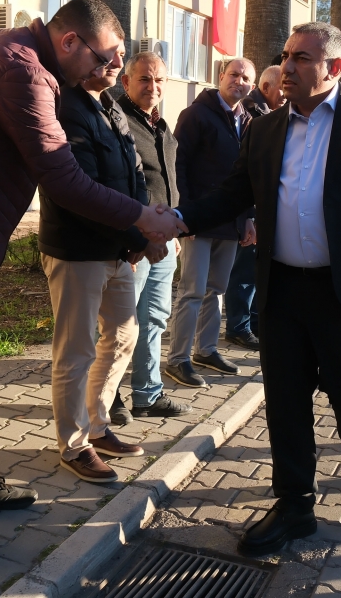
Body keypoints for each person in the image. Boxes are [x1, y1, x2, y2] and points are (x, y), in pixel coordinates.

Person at [0, 0, 181, 563]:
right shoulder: (24, 70)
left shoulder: (25, 59)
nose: (108, 69)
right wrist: (141, 218)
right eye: (105, 58)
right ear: (69, 42)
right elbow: (61, 176)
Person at [173, 22, 341, 555]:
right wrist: (178, 218)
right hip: (283, 290)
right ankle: (295, 505)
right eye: (286, 55)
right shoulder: (265, 128)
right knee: (285, 400)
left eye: (301, 58)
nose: (287, 67)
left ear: (333, 67)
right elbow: (232, 194)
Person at [41, 50, 158, 482]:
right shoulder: (67, 107)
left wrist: (140, 232)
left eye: (120, 56)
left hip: (117, 249)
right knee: (76, 351)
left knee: (125, 335)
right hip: (77, 250)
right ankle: (73, 446)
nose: (114, 62)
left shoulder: (111, 105)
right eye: (107, 54)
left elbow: (134, 174)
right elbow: (84, 190)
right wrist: (139, 236)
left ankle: (96, 425)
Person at [164, 58, 258, 385]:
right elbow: (178, 166)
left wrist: (247, 217)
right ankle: (177, 359)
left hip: (230, 223)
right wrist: (185, 216)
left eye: (246, 78)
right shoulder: (196, 115)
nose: (239, 81)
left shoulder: (248, 120)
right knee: (192, 291)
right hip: (199, 222)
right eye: (234, 74)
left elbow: (246, 178)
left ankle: (205, 350)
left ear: (252, 85)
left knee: (216, 289)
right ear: (221, 76)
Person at [110, 53, 192, 425]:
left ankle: (147, 394)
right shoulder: (117, 121)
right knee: (121, 326)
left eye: (159, 80)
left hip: (165, 243)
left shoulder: (159, 123)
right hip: (135, 245)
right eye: (144, 79)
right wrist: (133, 239)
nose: (153, 87)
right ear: (126, 82)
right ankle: (108, 398)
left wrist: (175, 229)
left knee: (154, 318)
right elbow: (120, 188)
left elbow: (168, 180)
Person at [224, 66, 286, 349]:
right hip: (249, 208)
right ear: (266, 86)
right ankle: (238, 326)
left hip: (260, 208)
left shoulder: (266, 113)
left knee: (255, 269)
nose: (285, 94)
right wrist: (249, 213)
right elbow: (248, 171)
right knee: (245, 271)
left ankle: (254, 322)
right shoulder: (256, 117)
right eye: (281, 88)